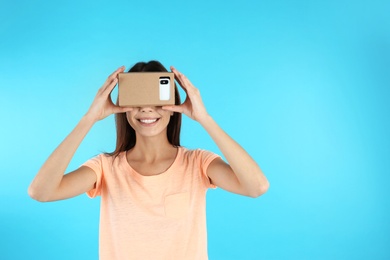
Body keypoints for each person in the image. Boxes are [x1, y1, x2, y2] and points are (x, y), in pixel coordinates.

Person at [28, 60, 269, 260]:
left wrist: (204, 118)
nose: (146, 110)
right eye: (137, 102)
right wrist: (89, 118)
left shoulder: (197, 163)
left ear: (172, 105)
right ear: (123, 106)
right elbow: (41, 192)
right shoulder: (105, 168)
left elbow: (256, 186)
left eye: (157, 101)